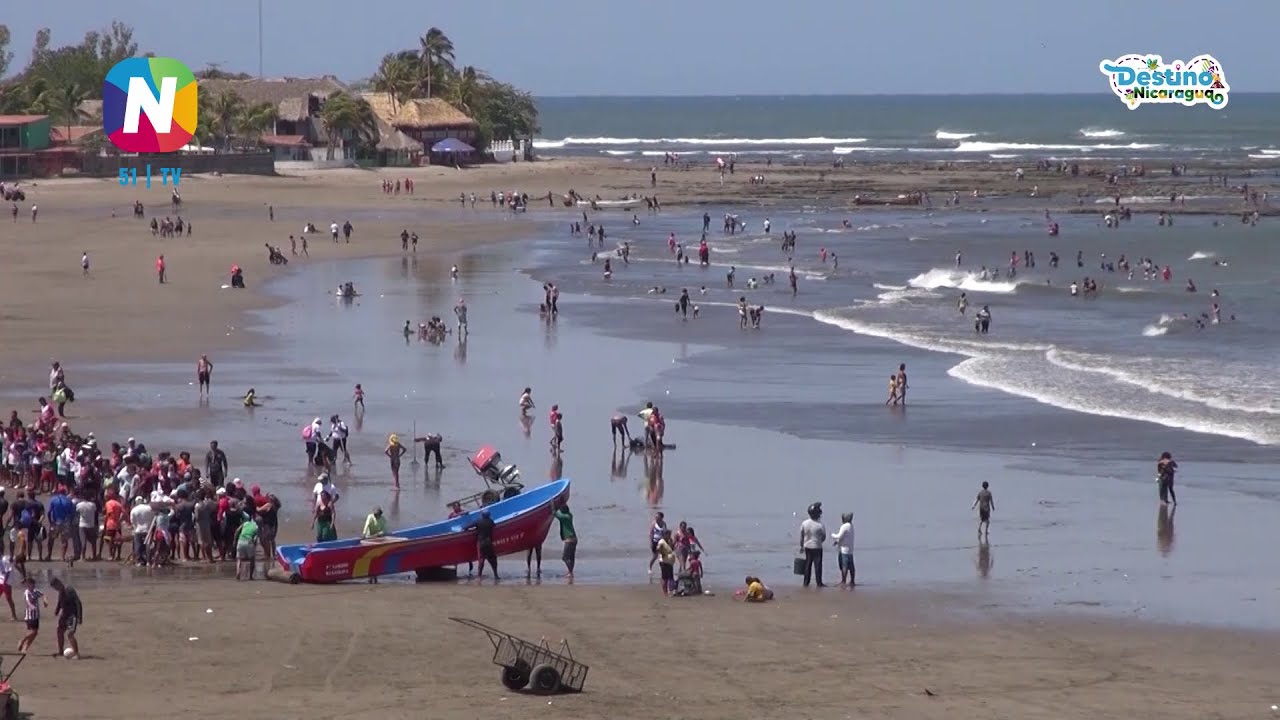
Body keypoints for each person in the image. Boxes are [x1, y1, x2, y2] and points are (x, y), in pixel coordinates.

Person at [50, 577, 80, 659]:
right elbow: (60, 602)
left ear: (59, 583)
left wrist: (79, 617)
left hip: (72, 616)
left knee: (70, 634)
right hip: (64, 616)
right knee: (59, 631)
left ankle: (76, 654)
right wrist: (57, 611)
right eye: (54, 588)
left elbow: (78, 602)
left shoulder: (69, 589)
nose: (56, 589)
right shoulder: (60, 591)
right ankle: (60, 651)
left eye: (56, 587)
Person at [799, 502, 827, 587]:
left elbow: (802, 535)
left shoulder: (804, 523)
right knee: (818, 565)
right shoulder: (820, 525)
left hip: (807, 546)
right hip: (817, 547)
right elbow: (823, 537)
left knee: (808, 564)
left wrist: (801, 546)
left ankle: (806, 582)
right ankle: (819, 582)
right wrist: (819, 542)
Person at [16, 576, 45, 652]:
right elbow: (27, 601)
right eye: (31, 584)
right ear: (28, 585)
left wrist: (45, 600)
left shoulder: (36, 592)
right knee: (32, 632)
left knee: (35, 633)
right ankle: (22, 640)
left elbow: (43, 595)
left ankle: (25, 648)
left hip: (36, 616)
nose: (33, 586)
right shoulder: (27, 592)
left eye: (33, 584)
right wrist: (31, 606)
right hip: (29, 616)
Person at [469, 509, 499, 580]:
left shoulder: (478, 521)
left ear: (482, 515)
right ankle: (496, 575)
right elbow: (494, 526)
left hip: (481, 542)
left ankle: (479, 576)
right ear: (489, 515)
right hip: (489, 542)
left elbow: (467, 526)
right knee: (492, 559)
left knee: (481, 559)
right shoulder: (491, 521)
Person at [832, 512, 856, 586]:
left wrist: (832, 535)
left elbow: (839, 536)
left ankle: (843, 581)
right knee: (851, 566)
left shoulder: (844, 526)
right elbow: (844, 537)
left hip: (844, 550)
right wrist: (837, 542)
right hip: (850, 549)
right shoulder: (851, 526)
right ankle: (852, 581)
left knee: (844, 566)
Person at [554, 501, 577, 578]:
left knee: (565, 557)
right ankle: (570, 572)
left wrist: (552, 504)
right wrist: (561, 501)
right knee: (571, 557)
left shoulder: (564, 517)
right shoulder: (570, 515)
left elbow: (554, 513)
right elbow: (558, 513)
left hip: (569, 540)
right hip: (574, 539)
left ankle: (570, 572)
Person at [234, 513, 259, 581]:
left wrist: (235, 541)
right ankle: (250, 576)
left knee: (239, 559)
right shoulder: (256, 527)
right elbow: (255, 539)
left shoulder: (245, 523)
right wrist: (254, 546)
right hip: (249, 542)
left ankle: (238, 573)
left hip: (240, 541)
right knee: (252, 560)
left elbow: (237, 531)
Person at [655, 528, 677, 595]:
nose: (669, 535)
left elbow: (672, 548)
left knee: (670, 576)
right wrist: (662, 553)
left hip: (670, 561)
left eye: (670, 534)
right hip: (664, 561)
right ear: (664, 535)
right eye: (668, 534)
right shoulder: (661, 541)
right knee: (665, 577)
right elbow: (658, 549)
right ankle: (665, 591)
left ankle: (671, 590)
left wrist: (672, 542)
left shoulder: (669, 540)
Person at [0, 555, 15, 620]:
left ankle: (14, 615)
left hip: (6, 582)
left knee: (9, 599)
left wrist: (5, 582)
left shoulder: (5, 560)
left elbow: (8, 571)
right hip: (0, 581)